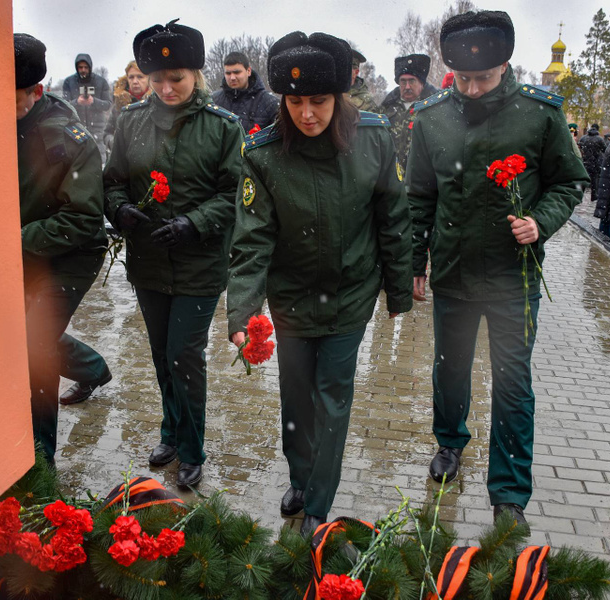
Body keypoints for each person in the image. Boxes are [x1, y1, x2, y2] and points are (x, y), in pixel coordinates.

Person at [407, 10, 588, 528]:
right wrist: (416, 260)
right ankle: (449, 443)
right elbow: (420, 195)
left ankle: (509, 492)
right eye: (463, 78)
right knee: (450, 369)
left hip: (515, 277)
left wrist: (541, 221)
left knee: (512, 384)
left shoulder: (540, 114)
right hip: (455, 273)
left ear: (505, 65)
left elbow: (569, 182)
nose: (472, 88)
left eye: (482, 78)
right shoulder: (433, 115)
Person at [227, 31, 412, 537]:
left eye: (319, 101)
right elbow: (251, 241)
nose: (307, 113)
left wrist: (398, 290)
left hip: (351, 295)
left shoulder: (372, 138)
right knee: (295, 395)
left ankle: (318, 504)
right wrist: (242, 312)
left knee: (333, 396)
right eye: (295, 102)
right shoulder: (264, 154)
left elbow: (393, 216)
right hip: (292, 298)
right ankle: (300, 475)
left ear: (340, 97)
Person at [103, 21, 243, 487]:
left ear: (197, 74)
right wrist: (119, 208)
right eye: (157, 79)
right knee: (161, 352)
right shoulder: (131, 121)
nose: (165, 88)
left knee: (185, 353)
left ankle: (191, 447)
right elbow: (114, 179)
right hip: (148, 261)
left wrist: (193, 223)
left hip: (200, 263)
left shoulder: (223, 127)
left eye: (176, 78)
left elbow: (235, 196)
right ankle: (170, 429)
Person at [14, 34, 109, 464]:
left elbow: (82, 220)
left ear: (37, 90)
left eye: (12, 99)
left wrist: (12, 239)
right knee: (17, 332)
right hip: (23, 248)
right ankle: (92, 369)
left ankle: (39, 460)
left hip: (73, 254)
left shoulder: (68, 140)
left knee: (34, 345)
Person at [380, 54, 439, 172]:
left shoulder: (436, 105)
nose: (407, 87)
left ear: (422, 83)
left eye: (412, 81)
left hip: (424, 179)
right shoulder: (387, 107)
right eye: (403, 81)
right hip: (392, 179)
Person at [210, 51, 279, 132]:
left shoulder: (270, 103)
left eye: (237, 72)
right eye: (228, 73)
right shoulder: (213, 102)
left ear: (248, 71)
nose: (232, 77)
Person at [61, 53, 113, 162]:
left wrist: (94, 101)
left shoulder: (101, 82)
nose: (83, 70)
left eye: (85, 67)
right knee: (77, 160)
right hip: (76, 128)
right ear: (77, 68)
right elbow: (63, 106)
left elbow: (108, 104)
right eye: (80, 67)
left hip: (98, 128)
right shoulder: (68, 82)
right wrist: (77, 102)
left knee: (99, 159)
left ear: (90, 67)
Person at [104, 61, 151, 155]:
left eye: (140, 77)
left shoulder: (156, 103)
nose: (135, 81)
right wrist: (115, 143)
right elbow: (106, 134)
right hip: (122, 161)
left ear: (148, 79)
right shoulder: (119, 105)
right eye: (131, 77)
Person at [578, 123, 607, 197]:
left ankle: (579, 194)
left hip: (584, 162)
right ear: (597, 129)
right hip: (595, 162)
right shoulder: (600, 139)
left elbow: (579, 147)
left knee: (583, 179)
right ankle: (594, 195)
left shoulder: (583, 138)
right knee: (595, 180)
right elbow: (605, 150)